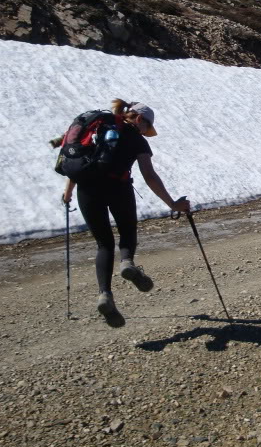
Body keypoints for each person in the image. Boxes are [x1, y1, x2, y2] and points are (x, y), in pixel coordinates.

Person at [60, 99, 190, 328]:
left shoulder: (98, 129)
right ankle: (127, 263)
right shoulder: (135, 139)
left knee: (103, 244)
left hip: (86, 191)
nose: (145, 131)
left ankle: (105, 295)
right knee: (127, 232)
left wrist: (68, 192)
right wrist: (172, 204)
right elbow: (149, 176)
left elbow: (81, 161)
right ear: (139, 119)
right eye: (146, 126)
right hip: (118, 189)